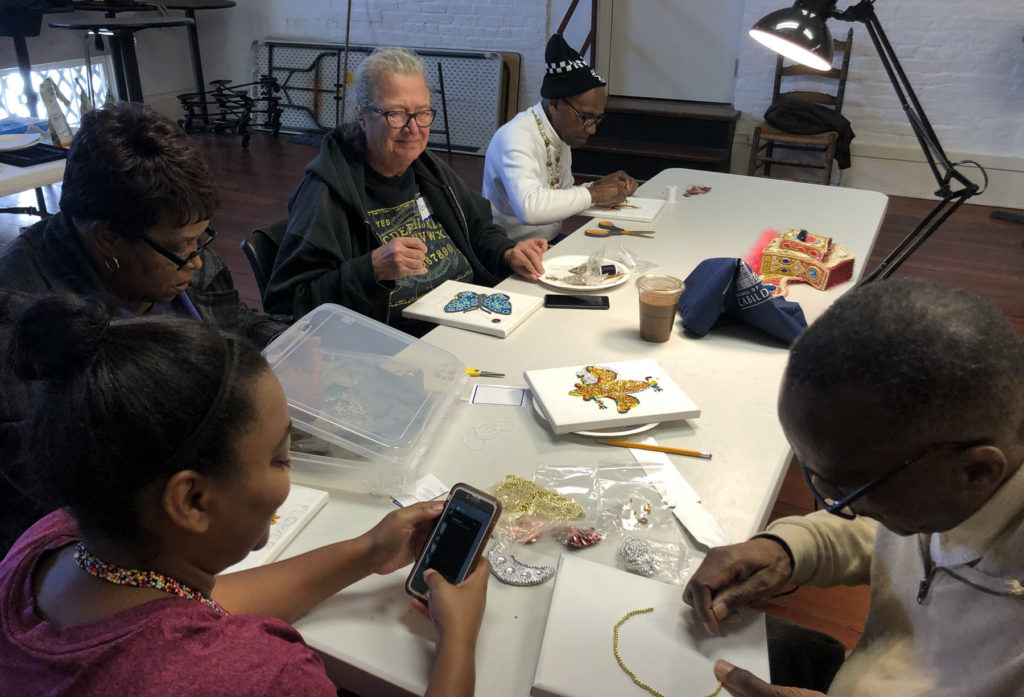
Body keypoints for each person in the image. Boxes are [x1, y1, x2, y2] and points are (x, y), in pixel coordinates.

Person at [0, 293, 490, 697]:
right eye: (279, 458)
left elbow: (194, 608)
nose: (290, 474)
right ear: (191, 501)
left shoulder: (48, 546)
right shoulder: (256, 676)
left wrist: (368, 550)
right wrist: (459, 641)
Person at [682, 278, 1024, 697]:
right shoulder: (939, 484)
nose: (834, 504)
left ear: (976, 472)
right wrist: (788, 549)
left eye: (851, 491)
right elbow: (897, 538)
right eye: (814, 477)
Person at [263, 46, 548, 336]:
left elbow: (478, 230)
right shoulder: (325, 193)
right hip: (397, 345)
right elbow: (287, 304)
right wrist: (371, 270)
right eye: (396, 114)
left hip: (472, 318)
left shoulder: (426, 168)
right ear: (362, 116)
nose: (414, 128)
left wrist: (508, 252)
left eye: (422, 113)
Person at [0, 102, 287, 347]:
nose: (197, 261)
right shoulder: (26, 321)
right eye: (181, 246)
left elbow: (234, 320)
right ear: (108, 239)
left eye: (198, 239)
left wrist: (287, 340)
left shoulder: (177, 247)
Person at [482, 34, 638, 243]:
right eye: (585, 118)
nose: (591, 130)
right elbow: (530, 208)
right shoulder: (515, 136)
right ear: (555, 104)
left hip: (547, 242)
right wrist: (593, 193)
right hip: (508, 252)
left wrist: (600, 187)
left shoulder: (558, 132)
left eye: (596, 120)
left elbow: (561, 196)